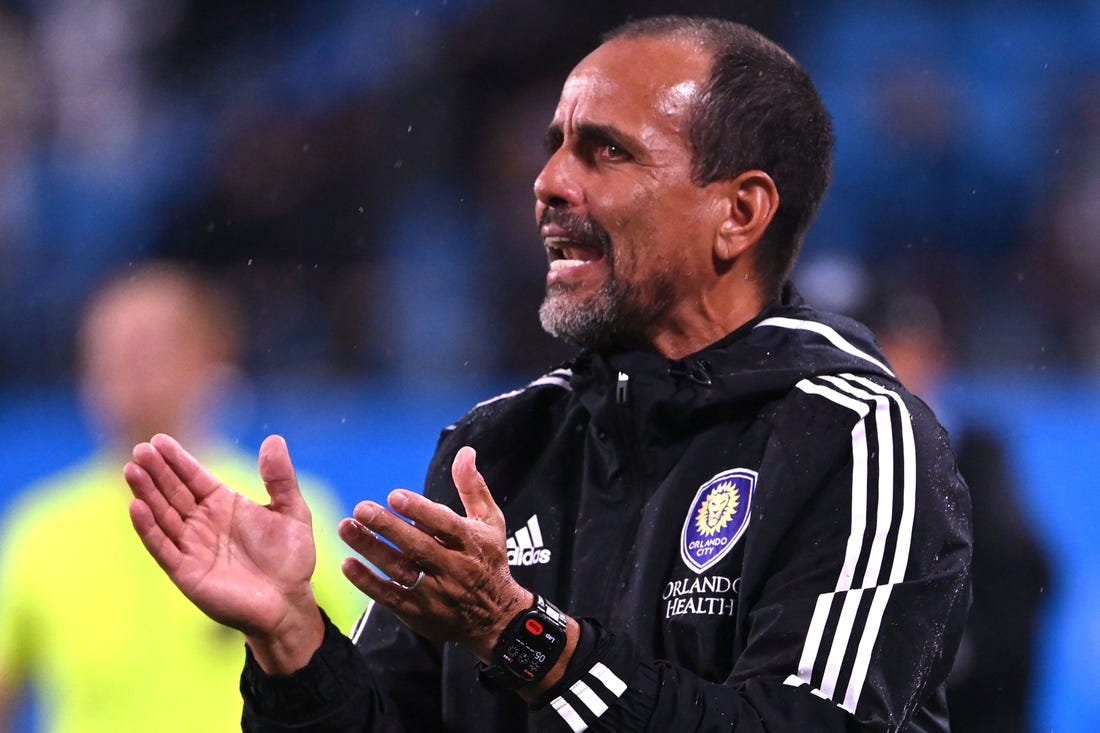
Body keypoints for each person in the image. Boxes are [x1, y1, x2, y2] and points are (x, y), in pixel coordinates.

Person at [123, 16, 972, 732]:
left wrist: (518, 633)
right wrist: (292, 639)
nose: (548, 182)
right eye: (554, 146)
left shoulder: (852, 436)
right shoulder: (499, 447)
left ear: (739, 212)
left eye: (606, 152)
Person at [0, 262, 363, 732]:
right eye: (106, 352)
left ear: (208, 358)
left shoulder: (279, 511)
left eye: (148, 348)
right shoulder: (42, 526)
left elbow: (358, 669)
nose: (126, 371)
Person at [866, 289, 1051, 733]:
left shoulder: (975, 455)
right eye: (891, 350)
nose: (902, 366)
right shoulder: (854, 453)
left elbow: (1023, 575)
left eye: (914, 351)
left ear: (937, 358)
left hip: (968, 701)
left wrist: (954, 648)